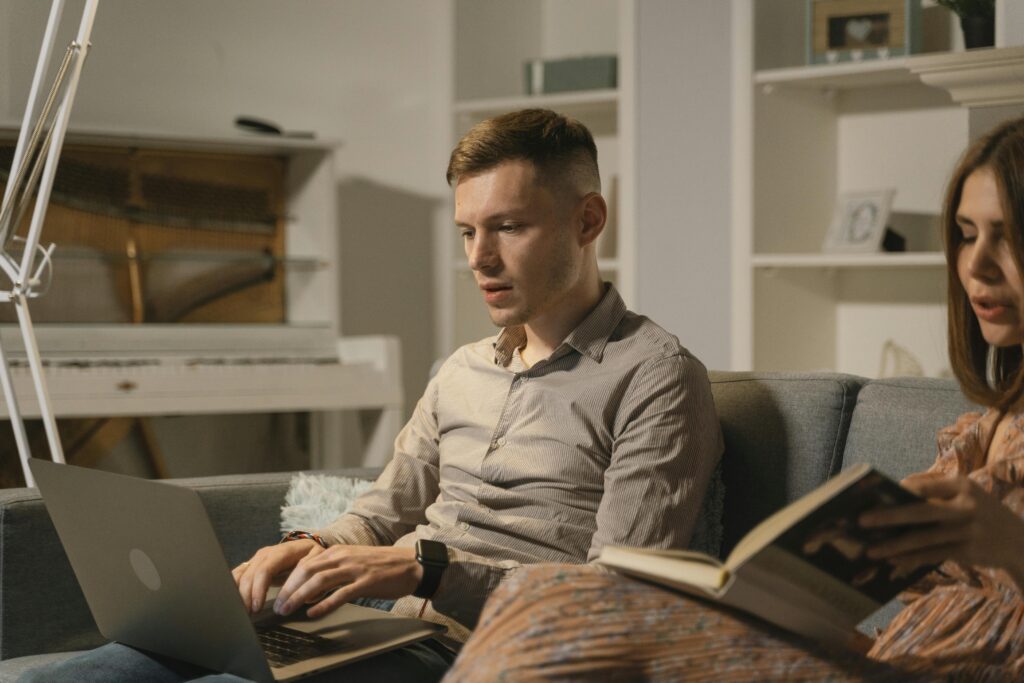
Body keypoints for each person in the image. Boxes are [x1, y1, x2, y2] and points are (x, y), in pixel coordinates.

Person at [19, 108, 722, 682]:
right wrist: (309, 547)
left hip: (478, 651)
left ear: (588, 220)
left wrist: (427, 570)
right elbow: (384, 511)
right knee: (83, 675)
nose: (479, 259)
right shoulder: (462, 370)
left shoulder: (655, 375)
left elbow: (616, 596)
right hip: (376, 621)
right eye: (468, 232)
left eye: (509, 227)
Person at [440, 116, 1024, 682]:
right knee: (545, 598)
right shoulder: (988, 425)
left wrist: (1011, 545)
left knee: (556, 601)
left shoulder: (651, 373)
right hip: (886, 655)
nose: (976, 264)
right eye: (967, 234)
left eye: (1008, 235)